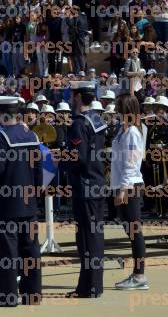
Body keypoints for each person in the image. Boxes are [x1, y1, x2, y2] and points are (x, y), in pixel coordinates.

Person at [0, 96, 42, 307]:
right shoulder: (31, 136)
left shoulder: (1, 139)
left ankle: (6, 296)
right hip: (28, 203)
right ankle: (32, 294)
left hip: (8, 204)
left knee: (7, 252)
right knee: (30, 249)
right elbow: (38, 171)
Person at [65, 81, 107, 298]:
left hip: (85, 185)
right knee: (94, 236)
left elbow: (77, 158)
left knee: (87, 238)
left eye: (73, 95)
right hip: (97, 182)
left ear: (79, 96)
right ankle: (91, 285)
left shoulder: (79, 123)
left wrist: (59, 159)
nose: (71, 99)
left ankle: (89, 287)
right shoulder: (97, 120)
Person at [110, 93, 149, 290]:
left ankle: (139, 275)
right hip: (123, 185)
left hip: (130, 185)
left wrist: (123, 190)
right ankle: (137, 274)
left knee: (135, 231)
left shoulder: (132, 132)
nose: (116, 110)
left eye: (119, 107)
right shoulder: (123, 131)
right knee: (130, 230)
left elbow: (132, 163)